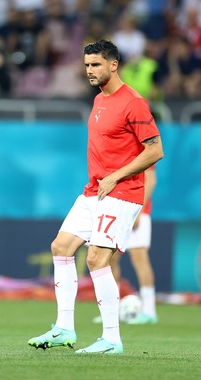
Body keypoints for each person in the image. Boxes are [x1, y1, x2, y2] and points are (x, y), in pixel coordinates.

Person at [27, 40, 164, 354]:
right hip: (94, 191)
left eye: (96, 65)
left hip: (123, 192)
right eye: (87, 65)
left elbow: (155, 150)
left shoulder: (134, 102)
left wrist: (116, 175)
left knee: (96, 258)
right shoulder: (99, 100)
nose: (89, 71)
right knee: (60, 247)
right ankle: (63, 328)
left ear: (113, 65)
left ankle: (112, 339)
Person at [94, 165, 158, 325]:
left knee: (139, 258)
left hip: (136, 210)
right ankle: (111, 310)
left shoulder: (142, 147)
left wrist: (141, 211)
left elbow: (150, 179)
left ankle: (149, 311)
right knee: (110, 259)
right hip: (117, 209)